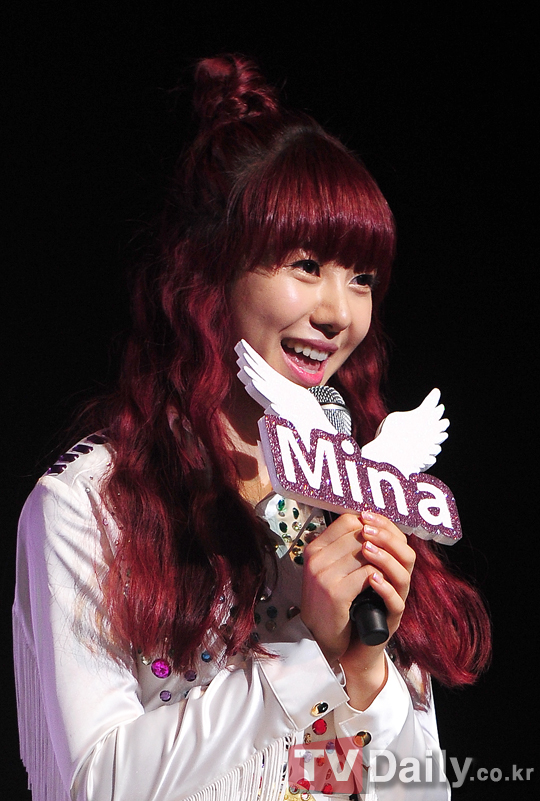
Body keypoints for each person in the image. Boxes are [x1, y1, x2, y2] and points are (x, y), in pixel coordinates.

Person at [13, 54, 491, 801]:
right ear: (210, 271)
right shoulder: (92, 505)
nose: (338, 312)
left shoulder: (361, 488)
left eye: (361, 278)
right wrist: (306, 657)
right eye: (305, 265)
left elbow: (413, 790)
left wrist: (365, 670)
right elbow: (92, 784)